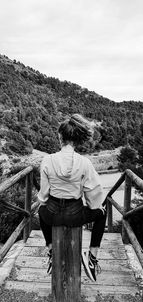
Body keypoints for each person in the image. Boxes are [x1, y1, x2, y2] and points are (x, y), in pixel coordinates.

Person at [38, 113, 107, 282]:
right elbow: (94, 194)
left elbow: (44, 195)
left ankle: (52, 251)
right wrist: (94, 206)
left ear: (60, 137)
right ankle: (91, 257)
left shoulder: (47, 160)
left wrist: (46, 203)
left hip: (52, 214)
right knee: (101, 213)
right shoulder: (85, 163)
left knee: (41, 210)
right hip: (75, 215)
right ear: (76, 139)